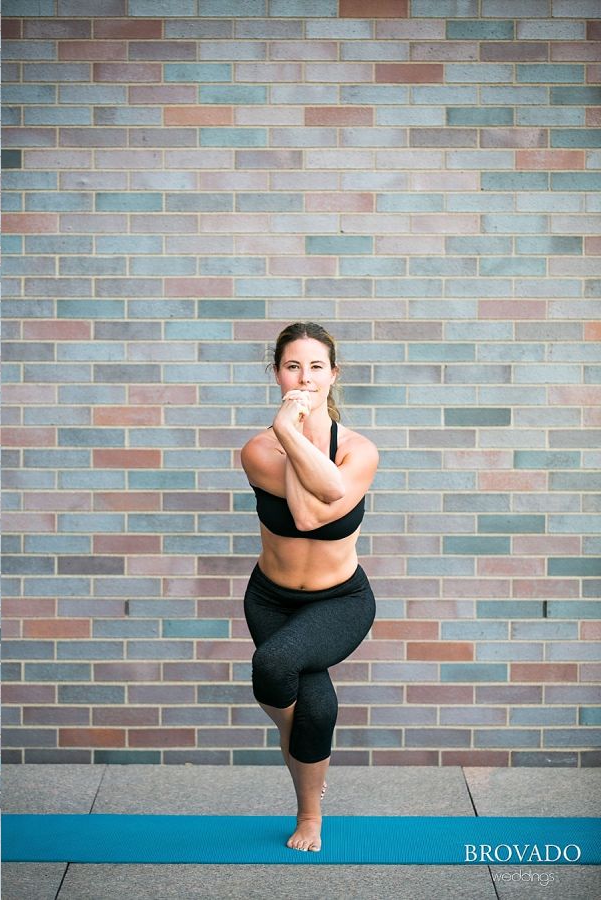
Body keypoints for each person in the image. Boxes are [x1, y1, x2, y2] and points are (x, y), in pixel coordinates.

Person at [239, 322, 378, 851]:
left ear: (333, 374)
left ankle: (305, 781)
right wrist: (286, 437)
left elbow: (313, 510)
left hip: (340, 601)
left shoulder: (360, 451)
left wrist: (290, 431)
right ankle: (310, 813)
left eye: (316, 366)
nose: (304, 377)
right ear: (277, 373)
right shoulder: (256, 451)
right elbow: (306, 501)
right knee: (315, 711)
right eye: (292, 365)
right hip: (271, 600)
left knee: (275, 668)